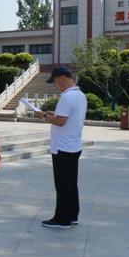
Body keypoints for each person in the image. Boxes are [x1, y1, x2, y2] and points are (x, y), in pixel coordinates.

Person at [35, 66, 87, 229]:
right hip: (74, 145)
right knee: (71, 183)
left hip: (63, 147)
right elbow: (66, 117)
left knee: (63, 184)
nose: (55, 85)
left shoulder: (66, 96)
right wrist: (53, 114)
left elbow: (60, 121)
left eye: (55, 81)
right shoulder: (80, 95)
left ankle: (62, 219)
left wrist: (44, 115)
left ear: (62, 78)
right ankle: (72, 215)